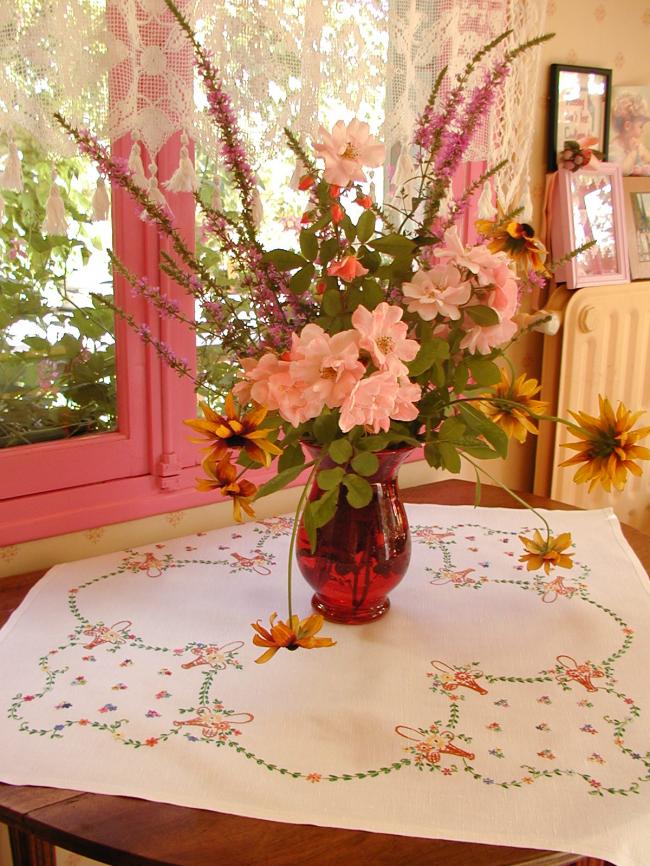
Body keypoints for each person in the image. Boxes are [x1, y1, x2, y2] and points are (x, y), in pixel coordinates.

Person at [609, 91, 650, 175]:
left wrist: (643, 154)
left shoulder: (636, 144)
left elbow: (648, 158)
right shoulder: (614, 148)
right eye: (640, 126)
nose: (643, 131)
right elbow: (622, 172)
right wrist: (633, 153)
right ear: (627, 126)